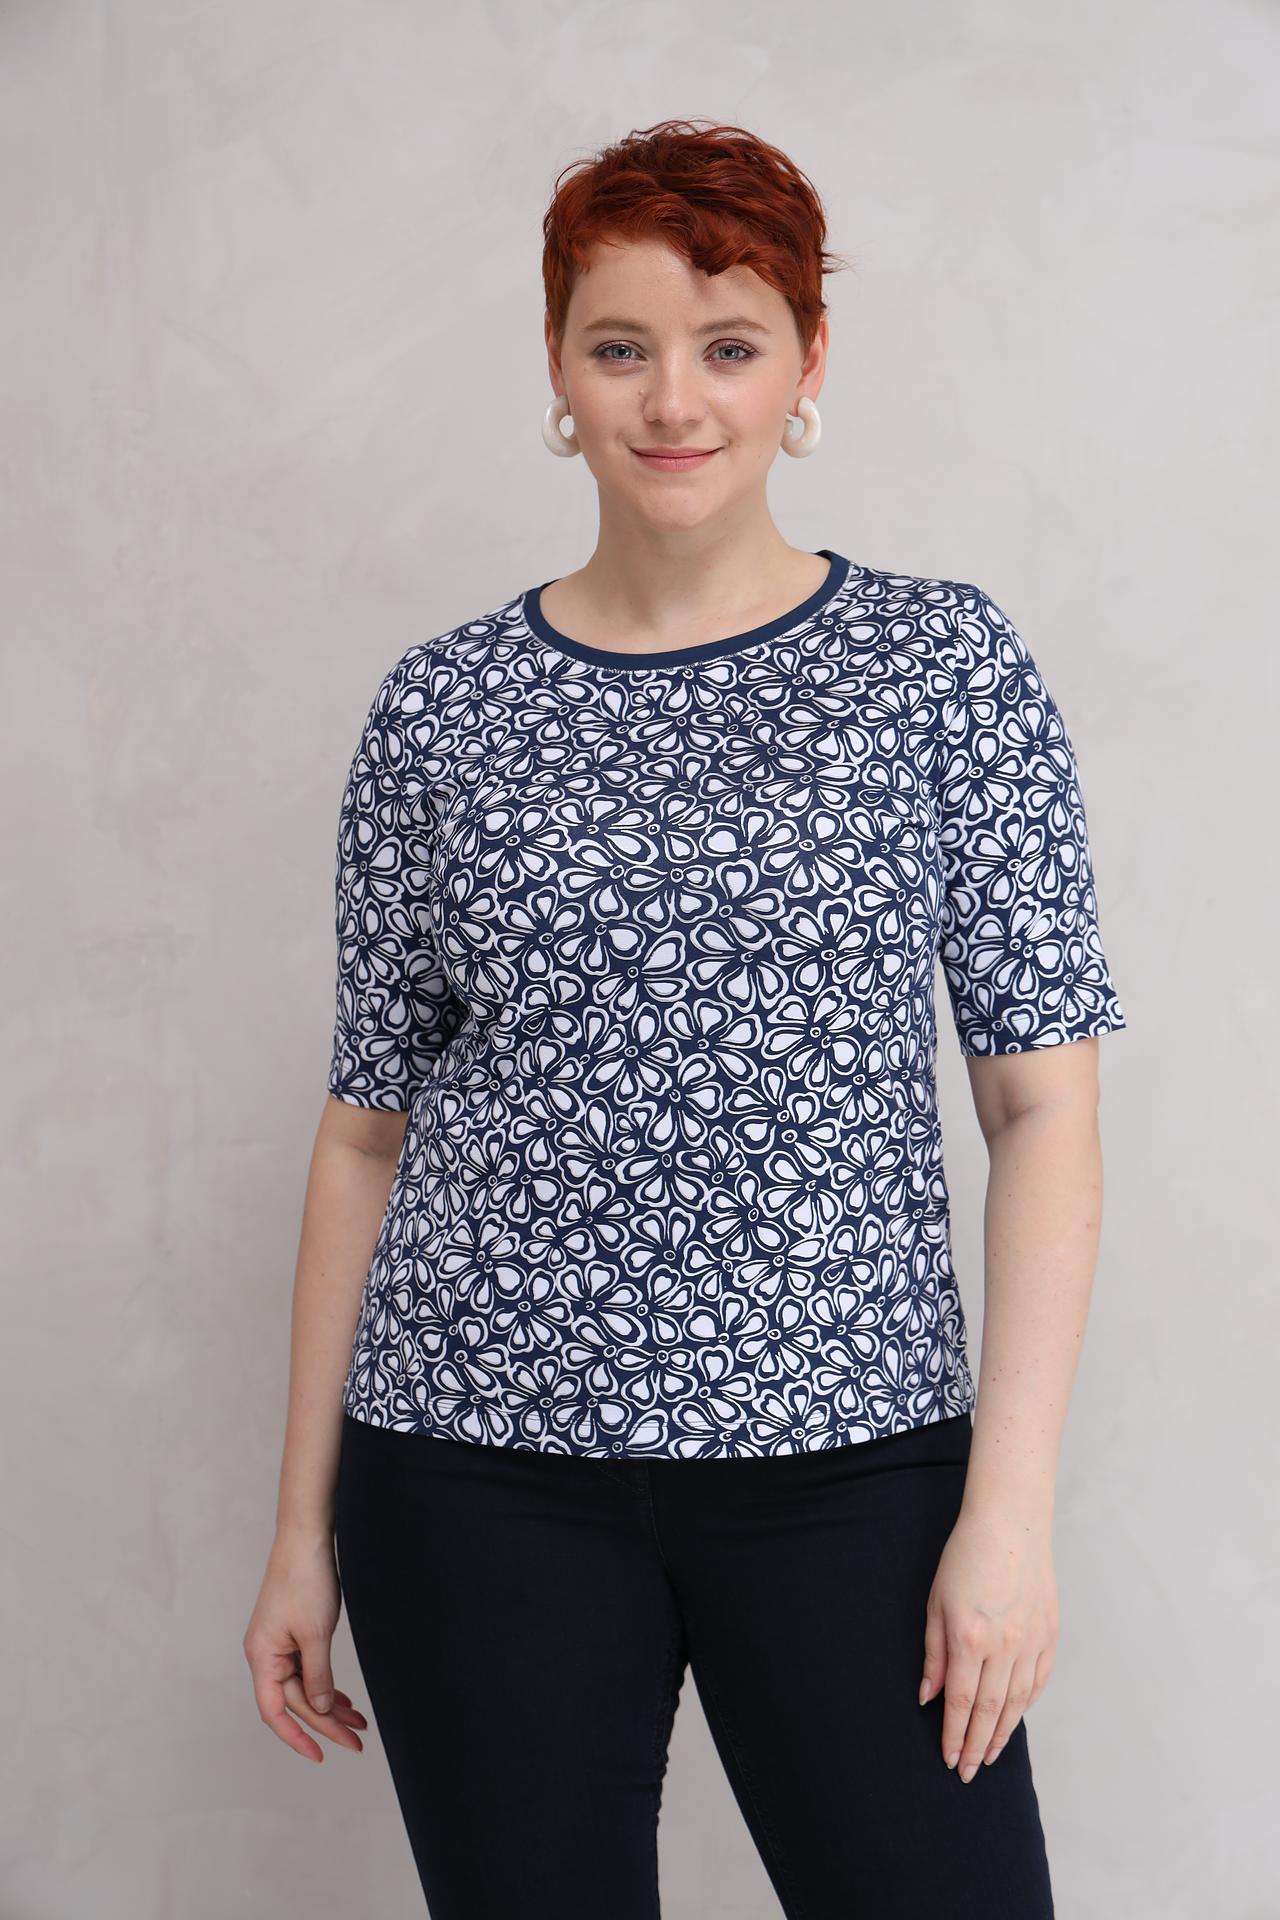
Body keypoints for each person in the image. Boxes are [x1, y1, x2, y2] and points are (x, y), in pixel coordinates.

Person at [243, 118, 1128, 1918]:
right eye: (619, 346)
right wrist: (296, 1534)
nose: (672, 401)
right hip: (474, 1473)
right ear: (557, 368)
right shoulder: (442, 709)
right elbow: (364, 1131)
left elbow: (1042, 1109)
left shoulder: (940, 667)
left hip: (852, 1465)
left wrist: (1011, 1511)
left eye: (729, 346)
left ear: (808, 364)